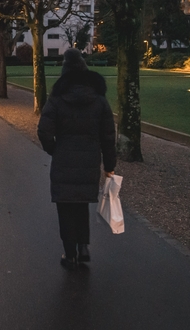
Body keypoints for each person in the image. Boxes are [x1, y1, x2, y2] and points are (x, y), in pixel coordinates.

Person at [37, 48, 117, 270]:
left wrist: (54, 149)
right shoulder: (99, 101)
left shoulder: (57, 99)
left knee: (65, 207)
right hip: (89, 160)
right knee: (82, 205)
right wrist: (109, 165)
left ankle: (69, 252)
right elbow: (108, 136)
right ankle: (83, 247)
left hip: (63, 158)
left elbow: (44, 130)